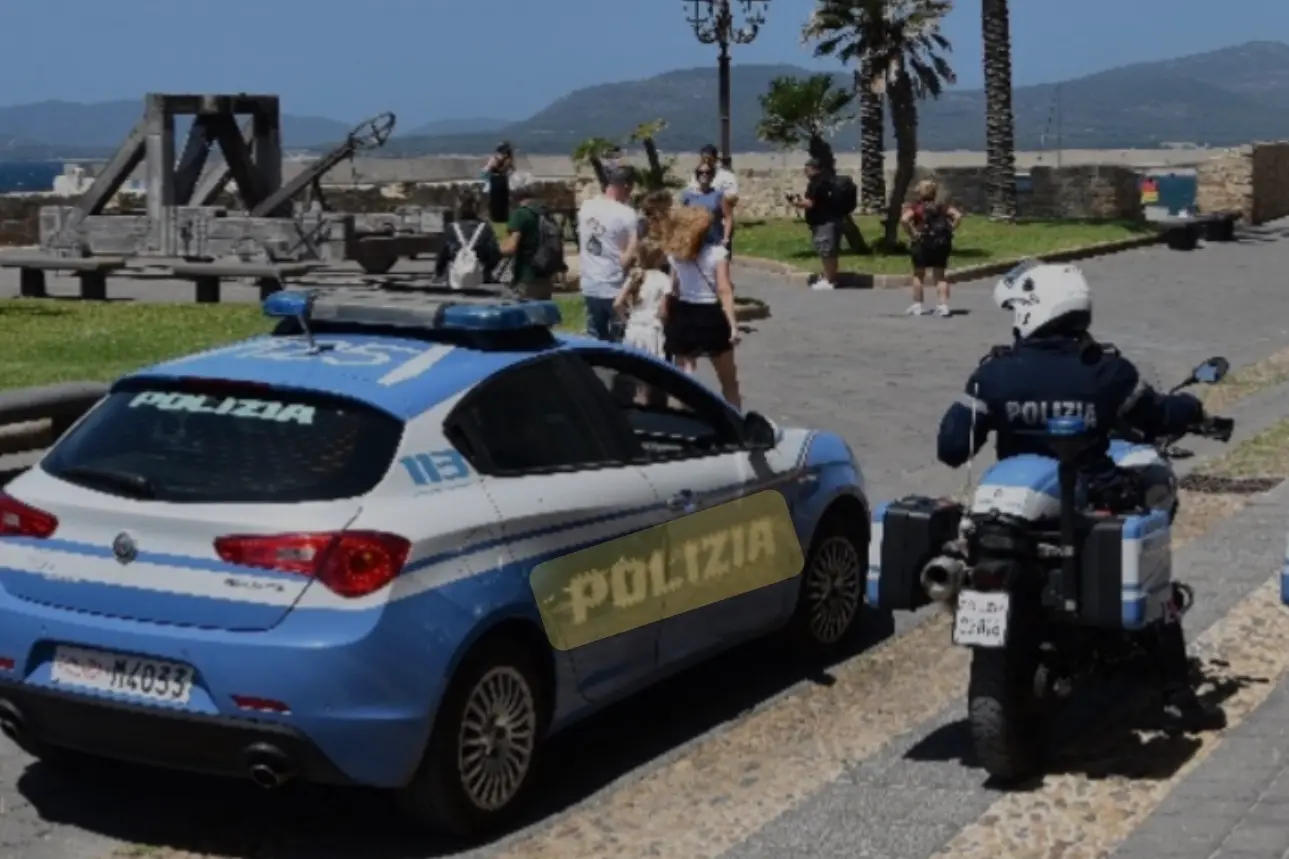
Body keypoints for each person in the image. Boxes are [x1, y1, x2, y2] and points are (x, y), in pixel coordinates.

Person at [935, 260, 1229, 734]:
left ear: (1032, 311)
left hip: (1012, 520)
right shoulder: (1107, 372)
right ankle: (1177, 697)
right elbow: (1158, 415)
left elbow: (951, 448)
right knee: (1152, 568)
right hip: (1086, 504)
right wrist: (1192, 407)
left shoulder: (993, 375)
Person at [663, 206, 741, 408]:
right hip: (710, 314)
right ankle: (736, 421)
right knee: (728, 380)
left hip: (684, 312)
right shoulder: (717, 254)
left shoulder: (674, 254)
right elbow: (724, 289)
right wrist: (733, 325)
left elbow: (674, 288)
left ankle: (684, 420)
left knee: (683, 378)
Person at [578, 165, 640, 341]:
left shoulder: (586, 207)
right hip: (614, 286)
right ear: (626, 186)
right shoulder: (627, 214)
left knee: (594, 334)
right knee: (620, 336)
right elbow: (628, 257)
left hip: (589, 283)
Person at [901, 179, 962, 317]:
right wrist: (951, 229)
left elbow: (904, 220)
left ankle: (918, 305)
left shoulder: (916, 207)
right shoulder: (942, 207)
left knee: (918, 275)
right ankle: (943, 306)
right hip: (941, 244)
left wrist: (912, 233)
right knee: (940, 276)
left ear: (919, 192)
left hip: (921, 243)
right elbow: (958, 216)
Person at [501, 185, 563, 299]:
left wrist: (494, 250)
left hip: (526, 277)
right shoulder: (544, 212)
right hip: (545, 275)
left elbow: (511, 247)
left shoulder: (521, 214)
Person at [613, 240, 669, 363]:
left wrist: (625, 320)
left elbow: (617, 303)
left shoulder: (634, 276)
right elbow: (663, 312)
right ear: (658, 258)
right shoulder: (664, 279)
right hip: (651, 331)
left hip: (633, 329)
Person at [791, 158, 840, 291]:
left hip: (823, 221)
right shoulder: (826, 180)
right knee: (829, 251)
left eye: (806, 169)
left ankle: (829, 280)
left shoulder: (818, 183)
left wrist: (796, 203)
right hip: (829, 220)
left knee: (826, 251)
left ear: (813, 169)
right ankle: (830, 277)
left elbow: (811, 203)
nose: (805, 172)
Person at [434, 192, 502, 285]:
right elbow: (494, 254)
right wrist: (486, 270)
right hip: (481, 280)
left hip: (456, 279)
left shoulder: (451, 228)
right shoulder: (485, 228)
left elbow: (443, 254)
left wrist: (439, 273)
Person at [687, 144, 739, 256]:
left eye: (709, 158)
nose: (706, 160)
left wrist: (716, 199)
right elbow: (691, 194)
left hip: (719, 226)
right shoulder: (697, 174)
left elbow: (733, 197)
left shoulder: (726, 176)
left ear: (715, 159)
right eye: (703, 158)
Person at [679, 164, 729, 248]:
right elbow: (681, 219)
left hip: (714, 241)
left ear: (712, 175)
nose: (704, 174)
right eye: (700, 172)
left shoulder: (719, 195)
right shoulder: (687, 195)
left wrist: (726, 238)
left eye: (708, 172)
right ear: (696, 175)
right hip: (693, 242)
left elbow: (728, 217)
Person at [481, 142, 514, 224]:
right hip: (503, 179)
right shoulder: (508, 159)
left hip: (496, 179)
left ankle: (496, 217)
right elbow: (512, 169)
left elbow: (487, 169)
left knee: (496, 200)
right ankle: (502, 217)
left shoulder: (496, 158)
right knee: (502, 200)